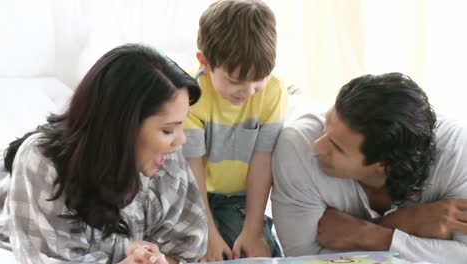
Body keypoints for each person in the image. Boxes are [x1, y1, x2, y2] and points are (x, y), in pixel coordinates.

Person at [0, 44, 207, 264]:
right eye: (167, 130)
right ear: (124, 126)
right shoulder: (40, 163)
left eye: (180, 126)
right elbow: (46, 257)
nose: (180, 139)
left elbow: (189, 246)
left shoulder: (164, 156)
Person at [271, 72, 467, 264]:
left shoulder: (458, 156)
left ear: (382, 165)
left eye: (337, 147)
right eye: (326, 126)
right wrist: (412, 225)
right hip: (271, 108)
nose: (318, 146)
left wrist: (369, 234)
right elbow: (305, 258)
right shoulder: (298, 147)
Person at [182, 0, 287, 261]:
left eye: (258, 80)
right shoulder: (188, 93)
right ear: (204, 63)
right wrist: (207, 233)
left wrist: (252, 231)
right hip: (191, 196)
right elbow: (190, 170)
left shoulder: (273, 92)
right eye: (235, 81)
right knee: (195, 252)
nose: (248, 91)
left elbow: (262, 162)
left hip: (237, 200)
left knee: (259, 253)